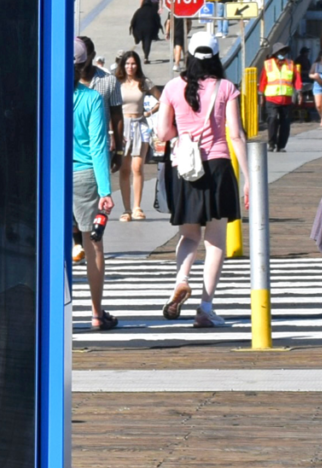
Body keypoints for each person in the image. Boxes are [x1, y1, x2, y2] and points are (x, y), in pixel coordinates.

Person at [154, 36, 247, 329]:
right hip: (218, 166)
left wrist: (183, 130)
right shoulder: (226, 87)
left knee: (189, 234)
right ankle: (205, 307)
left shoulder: (171, 87)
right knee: (215, 240)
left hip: (185, 168)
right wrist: (248, 177)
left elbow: (162, 132)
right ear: (217, 57)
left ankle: (181, 280)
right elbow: (236, 135)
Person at [72, 41, 117, 331]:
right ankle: (96, 312)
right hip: (86, 175)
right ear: (85, 65)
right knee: (94, 246)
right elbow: (99, 146)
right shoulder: (91, 99)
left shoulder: (46, 94)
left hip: (54, 175)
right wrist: (105, 191)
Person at [113, 50, 155, 221]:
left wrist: (150, 112)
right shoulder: (117, 83)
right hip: (122, 126)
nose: (130, 67)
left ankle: (137, 206)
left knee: (137, 167)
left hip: (140, 124)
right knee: (124, 168)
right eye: (127, 63)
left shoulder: (144, 82)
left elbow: (162, 98)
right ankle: (126, 209)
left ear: (138, 65)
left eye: (133, 63)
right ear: (123, 65)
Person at [260, 45, 301, 153]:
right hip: (272, 98)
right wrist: (261, 95)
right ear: (275, 53)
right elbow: (263, 80)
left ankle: (281, 145)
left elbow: (296, 79)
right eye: (280, 52)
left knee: (285, 123)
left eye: (283, 52)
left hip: (286, 99)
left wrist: (299, 92)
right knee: (272, 118)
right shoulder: (268, 64)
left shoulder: (290, 64)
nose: (282, 54)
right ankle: (271, 144)